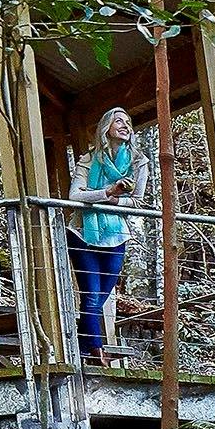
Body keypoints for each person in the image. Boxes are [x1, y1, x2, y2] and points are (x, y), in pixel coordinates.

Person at [69, 106, 151, 363]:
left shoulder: (139, 162)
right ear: (106, 128)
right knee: (91, 296)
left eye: (128, 122)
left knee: (99, 297)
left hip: (116, 235)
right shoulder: (88, 160)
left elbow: (138, 202)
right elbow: (75, 196)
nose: (125, 125)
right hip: (82, 232)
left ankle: (84, 344)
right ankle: (94, 350)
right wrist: (108, 191)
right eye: (119, 121)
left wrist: (114, 200)